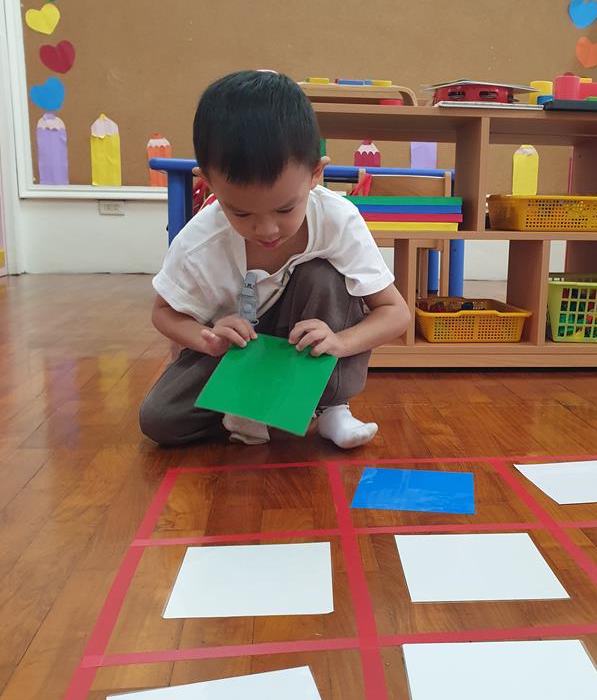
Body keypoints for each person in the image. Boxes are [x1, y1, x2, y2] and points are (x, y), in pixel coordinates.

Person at [140, 70, 410, 449]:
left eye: (285, 208)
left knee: (322, 276)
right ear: (209, 183)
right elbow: (163, 313)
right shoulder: (200, 240)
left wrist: (338, 341)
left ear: (316, 173)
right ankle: (259, 409)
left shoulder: (337, 219)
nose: (266, 230)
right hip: (237, 349)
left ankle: (331, 408)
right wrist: (207, 338)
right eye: (241, 212)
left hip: (303, 344)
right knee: (160, 419)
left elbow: (396, 313)